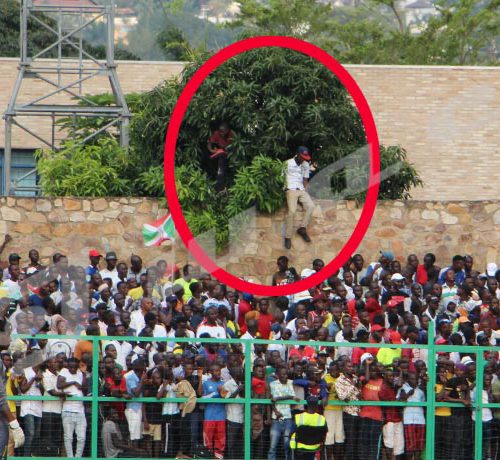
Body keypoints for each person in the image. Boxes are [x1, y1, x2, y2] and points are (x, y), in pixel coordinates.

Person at [284, 146, 315, 250]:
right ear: (297, 154)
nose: (303, 159)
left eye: (305, 157)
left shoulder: (305, 165)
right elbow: (281, 178)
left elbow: (305, 179)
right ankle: (288, 237)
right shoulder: (287, 163)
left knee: (311, 206)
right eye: (302, 157)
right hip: (290, 190)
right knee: (292, 211)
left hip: (301, 190)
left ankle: (302, 228)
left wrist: (305, 194)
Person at [290, 396, 328, 460]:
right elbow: (325, 432)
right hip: (315, 446)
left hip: (298, 446)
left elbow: (291, 432)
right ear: (317, 406)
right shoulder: (322, 419)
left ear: (307, 405)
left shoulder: (298, 417)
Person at [207, 121, 235, 192]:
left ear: (228, 130)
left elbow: (236, 147)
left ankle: (228, 185)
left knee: (229, 170)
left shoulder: (232, 134)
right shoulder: (217, 133)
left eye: (223, 131)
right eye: (220, 130)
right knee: (220, 170)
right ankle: (218, 187)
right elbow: (209, 142)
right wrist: (212, 150)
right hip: (221, 154)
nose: (221, 132)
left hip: (232, 154)